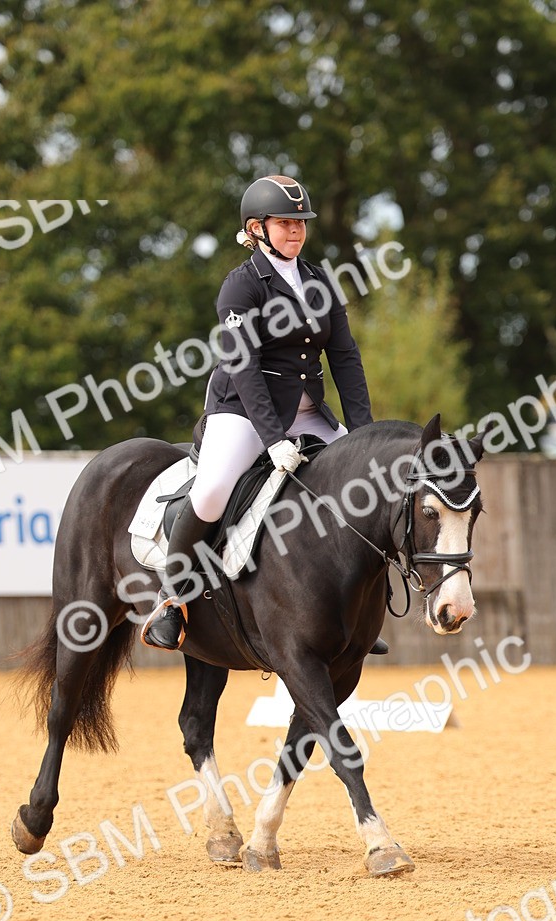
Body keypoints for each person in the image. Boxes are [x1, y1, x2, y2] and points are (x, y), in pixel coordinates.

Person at [142, 174, 381, 652]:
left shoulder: (320, 282)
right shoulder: (241, 286)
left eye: (300, 224)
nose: (295, 231)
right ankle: (173, 599)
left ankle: (356, 613)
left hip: (309, 411)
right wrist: (273, 439)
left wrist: (365, 436)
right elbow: (244, 365)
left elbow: (346, 358)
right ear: (256, 228)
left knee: (370, 491)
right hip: (245, 413)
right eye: (285, 223)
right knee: (211, 492)